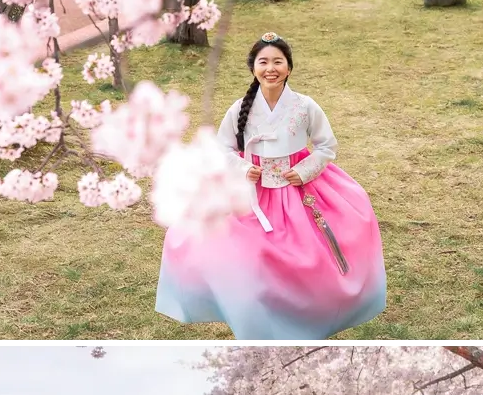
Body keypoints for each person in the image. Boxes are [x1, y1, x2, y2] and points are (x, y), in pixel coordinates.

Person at [155, 32, 387, 343]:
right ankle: (255, 309)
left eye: (278, 61)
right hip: (253, 190)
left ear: (289, 68)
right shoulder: (241, 108)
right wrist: (241, 167)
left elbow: (326, 145)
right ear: (253, 68)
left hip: (296, 188)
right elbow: (222, 148)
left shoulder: (305, 106)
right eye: (263, 62)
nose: (271, 68)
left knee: (310, 253)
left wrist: (303, 171)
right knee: (235, 248)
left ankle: (308, 311)